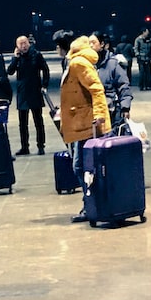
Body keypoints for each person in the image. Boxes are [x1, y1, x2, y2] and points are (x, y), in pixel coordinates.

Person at [59, 36, 110, 221]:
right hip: (81, 122)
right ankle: (91, 204)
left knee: (82, 166)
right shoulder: (74, 62)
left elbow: (97, 89)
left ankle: (92, 205)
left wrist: (99, 117)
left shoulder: (78, 63)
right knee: (82, 166)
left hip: (87, 125)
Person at [7, 35, 51, 156]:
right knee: (22, 123)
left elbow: (45, 69)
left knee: (38, 120)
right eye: (20, 44)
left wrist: (45, 85)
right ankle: (24, 147)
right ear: (17, 46)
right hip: (22, 92)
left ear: (29, 43)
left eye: (25, 43)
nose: (23, 46)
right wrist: (15, 58)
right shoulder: (17, 57)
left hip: (35, 90)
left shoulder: (36, 54)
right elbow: (10, 71)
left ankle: (41, 145)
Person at [91, 31, 132, 129]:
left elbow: (123, 85)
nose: (90, 46)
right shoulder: (87, 64)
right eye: (88, 43)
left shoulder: (113, 63)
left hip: (111, 111)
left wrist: (125, 108)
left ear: (102, 44)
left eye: (93, 42)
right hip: (93, 112)